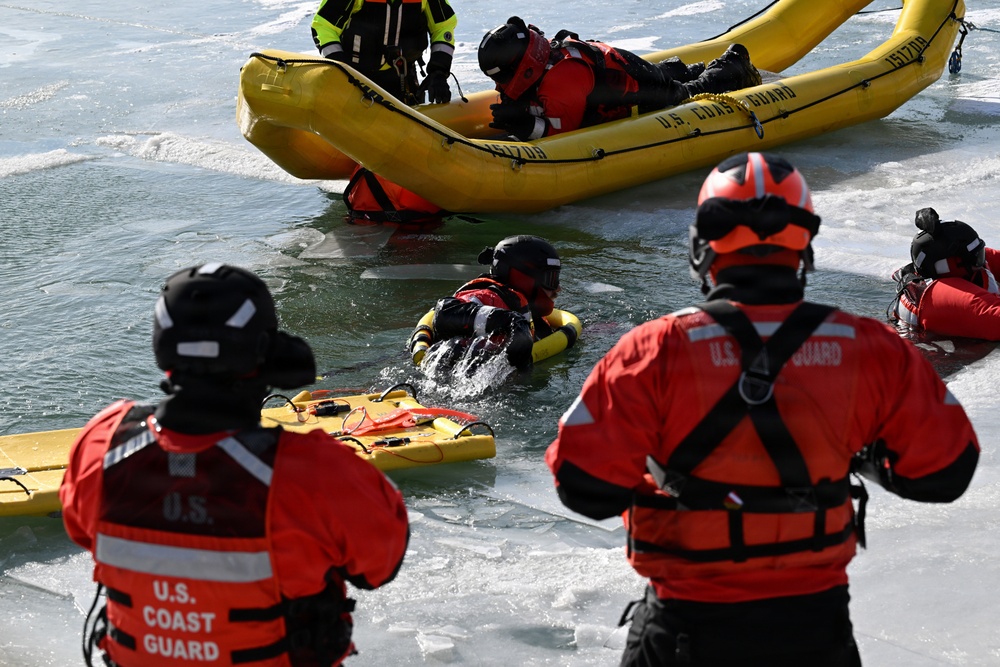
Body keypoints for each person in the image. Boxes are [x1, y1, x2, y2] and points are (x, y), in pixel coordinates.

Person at [545, 153, 979, 667]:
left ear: (702, 247)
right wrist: (852, 453)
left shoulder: (651, 350)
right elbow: (946, 472)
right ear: (803, 246)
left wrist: (673, 477)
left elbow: (582, 485)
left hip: (685, 631)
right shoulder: (870, 347)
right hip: (814, 634)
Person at [60, 262, 409, 667]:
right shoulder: (311, 471)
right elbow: (378, 566)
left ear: (163, 346)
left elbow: (81, 531)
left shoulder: (102, 444)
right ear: (264, 353)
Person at [477, 16, 762, 141]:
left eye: (505, 78)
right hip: (624, 69)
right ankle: (683, 68)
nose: (501, 87)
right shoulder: (545, 64)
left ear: (524, 66)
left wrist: (525, 124)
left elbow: (563, 134)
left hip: (641, 90)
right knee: (665, 77)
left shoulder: (561, 79)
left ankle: (733, 63)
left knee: (683, 93)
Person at [409, 235, 561, 370]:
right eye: (551, 279)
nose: (558, 288)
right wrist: (507, 321)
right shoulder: (489, 298)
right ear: (522, 277)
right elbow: (445, 313)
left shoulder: (526, 311)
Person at [311, 0, 457, 105]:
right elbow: (323, 27)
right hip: (356, 78)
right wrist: (342, 69)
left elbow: (443, 27)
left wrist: (438, 71)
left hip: (404, 77)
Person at [889, 206, 1000, 339]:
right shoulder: (946, 298)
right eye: (977, 258)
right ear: (945, 266)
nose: (981, 261)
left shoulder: (960, 265)